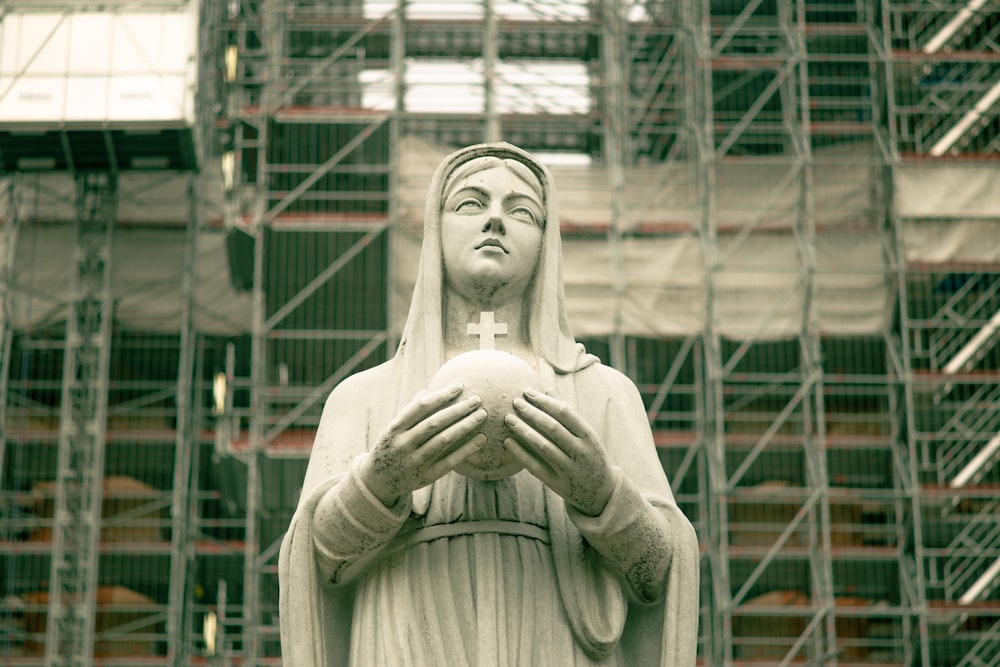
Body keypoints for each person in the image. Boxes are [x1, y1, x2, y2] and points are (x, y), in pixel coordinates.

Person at [278, 142, 699, 666]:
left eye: (521, 211)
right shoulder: (365, 396)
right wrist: (381, 481)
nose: (495, 221)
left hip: (554, 638)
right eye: (471, 204)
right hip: (406, 634)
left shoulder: (602, 392)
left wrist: (600, 491)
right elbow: (320, 564)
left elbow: (659, 572)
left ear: (546, 242)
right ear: (437, 230)